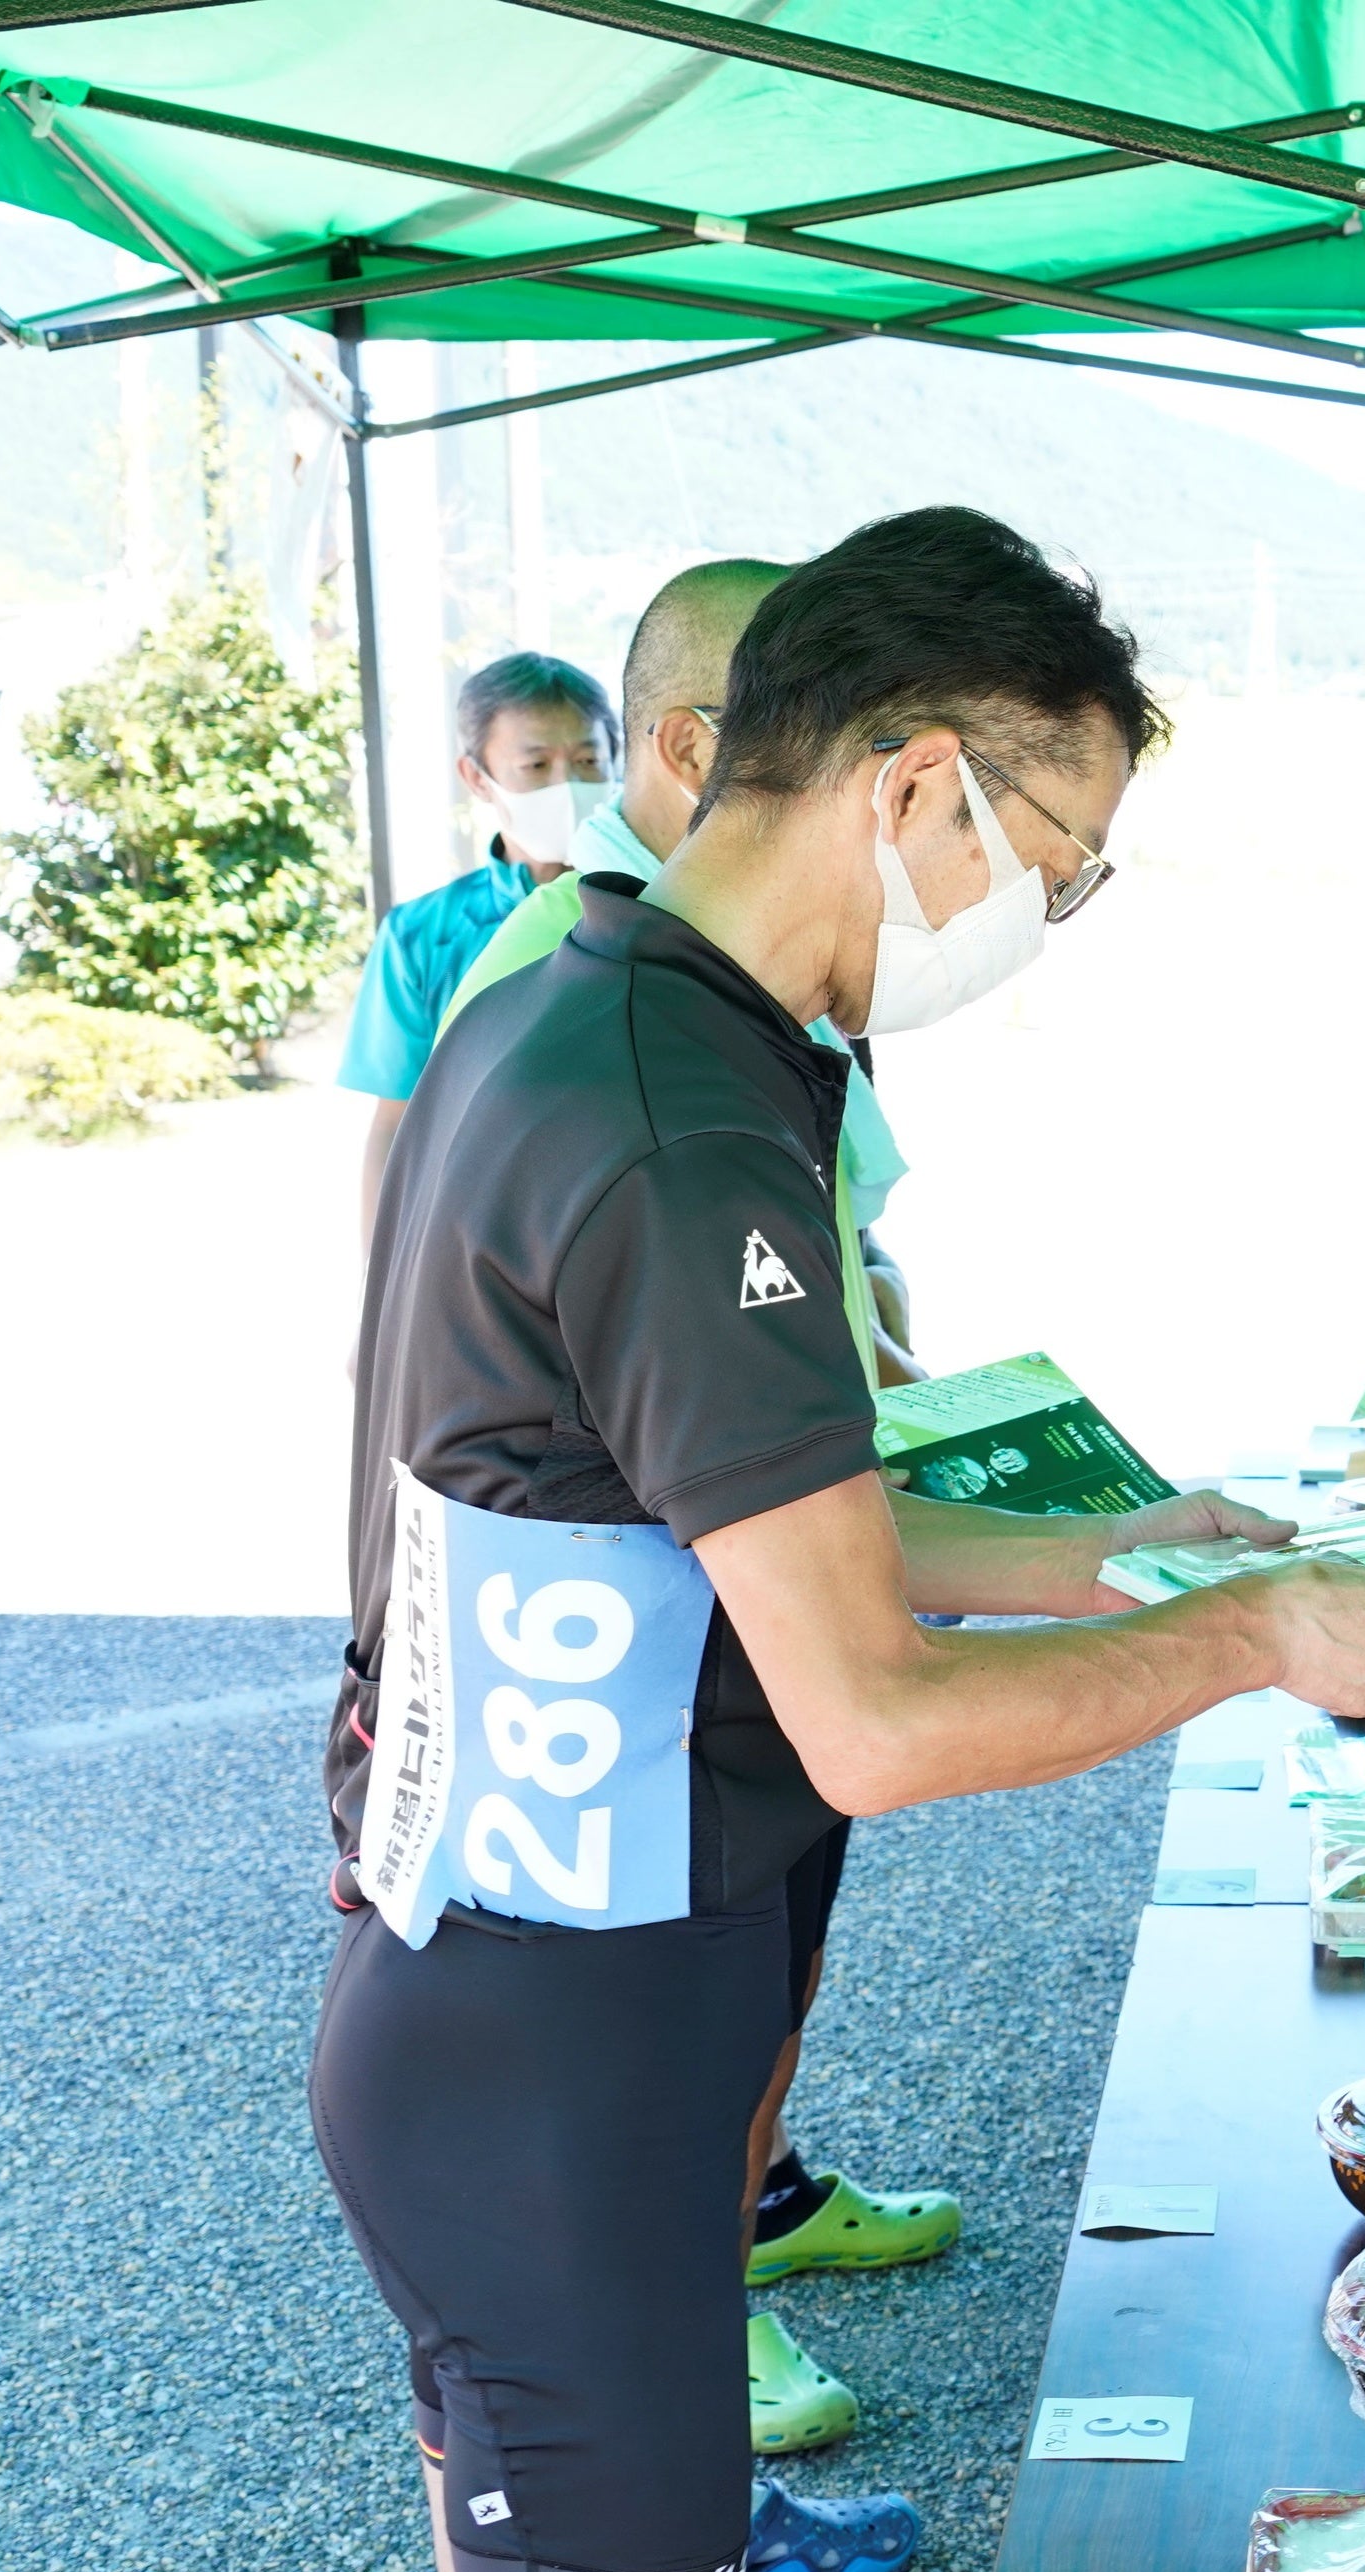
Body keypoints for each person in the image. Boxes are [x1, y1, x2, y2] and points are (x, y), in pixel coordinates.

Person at [315, 505, 1365, 2572]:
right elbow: (872, 1719)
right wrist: (1259, 1630)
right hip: (558, 2046)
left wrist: (1113, 1547)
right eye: (1057, 860)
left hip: (514, 1984)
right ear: (914, 781)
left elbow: (748, 1515)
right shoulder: (679, 1121)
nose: (1048, 913)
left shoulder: (605, 996)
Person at [429, 557, 964, 2460]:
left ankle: (725, 2268)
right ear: (694, 751)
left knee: (763, 1964)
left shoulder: (757, 1001)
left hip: (756, 1561)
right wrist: (1237, 1629)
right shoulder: (603, 1013)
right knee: (642, 2061)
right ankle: (685, 2350)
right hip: (650, 1660)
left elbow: (836, 1242)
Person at [341, 651, 618, 1249]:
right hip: (483, 1240)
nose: (567, 786)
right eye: (536, 764)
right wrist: (378, 1302)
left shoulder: (666, 906)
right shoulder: (423, 938)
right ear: (476, 777)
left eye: (589, 761)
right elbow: (395, 1125)